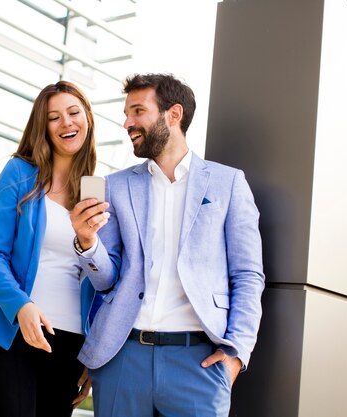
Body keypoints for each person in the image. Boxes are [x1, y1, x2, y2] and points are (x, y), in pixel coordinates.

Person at [70, 73, 265, 417]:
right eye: (126, 113)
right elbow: (106, 280)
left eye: (137, 111)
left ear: (173, 115)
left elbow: (248, 274)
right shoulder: (115, 186)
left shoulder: (228, 183)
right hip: (123, 358)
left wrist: (236, 353)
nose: (128, 122)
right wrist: (87, 243)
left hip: (199, 363)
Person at [0, 80, 99, 417]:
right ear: (44, 128)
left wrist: (92, 353)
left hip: (69, 345)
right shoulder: (19, 174)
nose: (66, 122)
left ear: (87, 120)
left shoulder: (96, 193)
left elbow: (101, 279)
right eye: (54, 117)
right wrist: (22, 307)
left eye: (73, 113)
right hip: (12, 334)